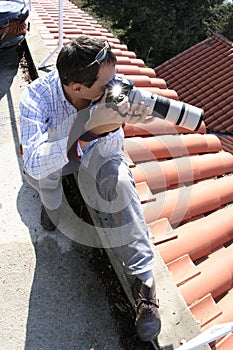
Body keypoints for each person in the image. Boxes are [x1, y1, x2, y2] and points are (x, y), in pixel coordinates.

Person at [19, 35, 161, 342]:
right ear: (77, 88)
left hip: (98, 155)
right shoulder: (35, 97)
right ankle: (53, 206)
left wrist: (111, 122)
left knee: (122, 181)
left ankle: (144, 284)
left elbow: (109, 154)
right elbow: (32, 163)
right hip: (58, 158)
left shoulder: (117, 86)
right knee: (43, 177)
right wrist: (87, 132)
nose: (115, 87)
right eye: (104, 86)